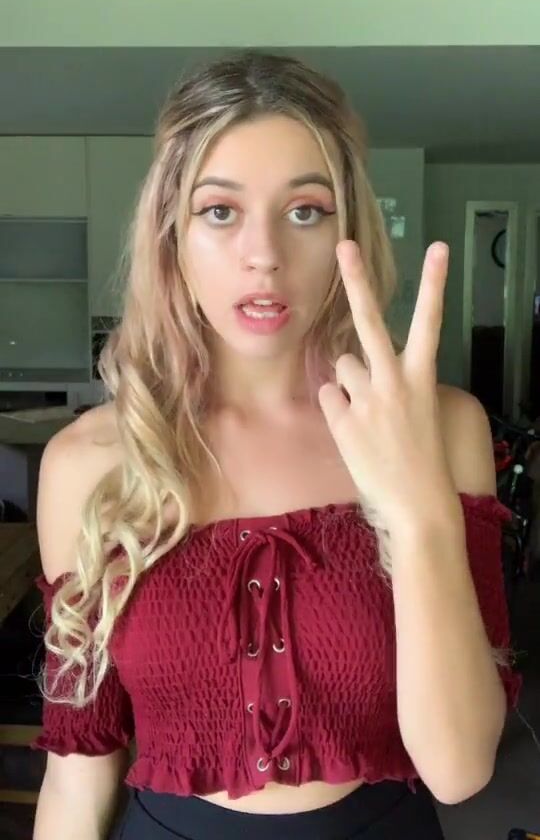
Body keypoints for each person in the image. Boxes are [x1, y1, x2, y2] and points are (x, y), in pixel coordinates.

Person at [30, 50, 522, 840]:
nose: (264, 254)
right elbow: (77, 777)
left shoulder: (442, 428)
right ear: (171, 233)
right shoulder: (88, 464)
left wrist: (416, 512)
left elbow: (460, 769)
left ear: (347, 229)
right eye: (220, 211)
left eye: (306, 211)